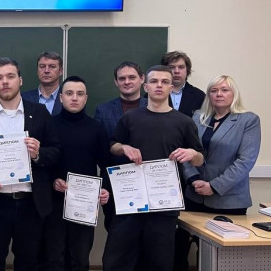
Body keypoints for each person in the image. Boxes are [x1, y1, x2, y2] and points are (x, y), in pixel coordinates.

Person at [102, 65, 205, 271]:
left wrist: (192, 154)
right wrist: (124, 147)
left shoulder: (184, 122)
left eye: (165, 82)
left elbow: (200, 158)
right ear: (146, 86)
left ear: (171, 87)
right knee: (117, 261)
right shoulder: (130, 118)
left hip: (163, 206)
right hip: (130, 203)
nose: (159, 85)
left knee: (158, 262)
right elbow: (113, 145)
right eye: (154, 81)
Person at [0, 57, 60, 271]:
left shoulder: (39, 113)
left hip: (30, 204)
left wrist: (38, 154)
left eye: (10, 76)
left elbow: (55, 151)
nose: (5, 82)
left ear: (20, 80)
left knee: (28, 263)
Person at [173, 75, 261, 270]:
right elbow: (186, 152)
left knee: (222, 258)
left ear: (234, 94)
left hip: (228, 200)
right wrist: (193, 179)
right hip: (194, 196)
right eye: (214, 91)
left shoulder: (248, 120)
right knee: (179, 249)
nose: (219, 94)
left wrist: (214, 186)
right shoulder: (198, 117)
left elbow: (245, 161)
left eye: (224, 90)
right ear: (208, 95)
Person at [39, 76, 109, 271]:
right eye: (69, 93)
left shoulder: (96, 128)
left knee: (80, 257)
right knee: (54, 257)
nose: (74, 98)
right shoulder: (49, 125)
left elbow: (106, 164)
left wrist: (104, 189)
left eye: (80, 94)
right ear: (61, 97)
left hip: (84, 202)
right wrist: (53, 181)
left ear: (86, 98)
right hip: (54, 201)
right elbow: (40, 162)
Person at [93, 61, 147, 231]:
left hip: (146, 181)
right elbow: (99, 147)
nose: (127, 82)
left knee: (145, 233)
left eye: (132, 77)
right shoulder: (103, 110)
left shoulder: (154, 107)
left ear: (142, 79)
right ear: (116, 82)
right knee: (115, 231)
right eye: (122, 78)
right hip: (113, 182)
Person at [161, 51, 205, 117]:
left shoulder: (199, 96)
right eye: (171, 67)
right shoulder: (155, 93)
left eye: (181, 67)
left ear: (187, 70)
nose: (176, 71)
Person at [21, 51, 63, 116]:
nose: (46, 71)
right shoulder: (23, 98)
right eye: (42, 66)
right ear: (37, 71)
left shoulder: (69, 98)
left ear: (60, 71)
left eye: (52, 66)